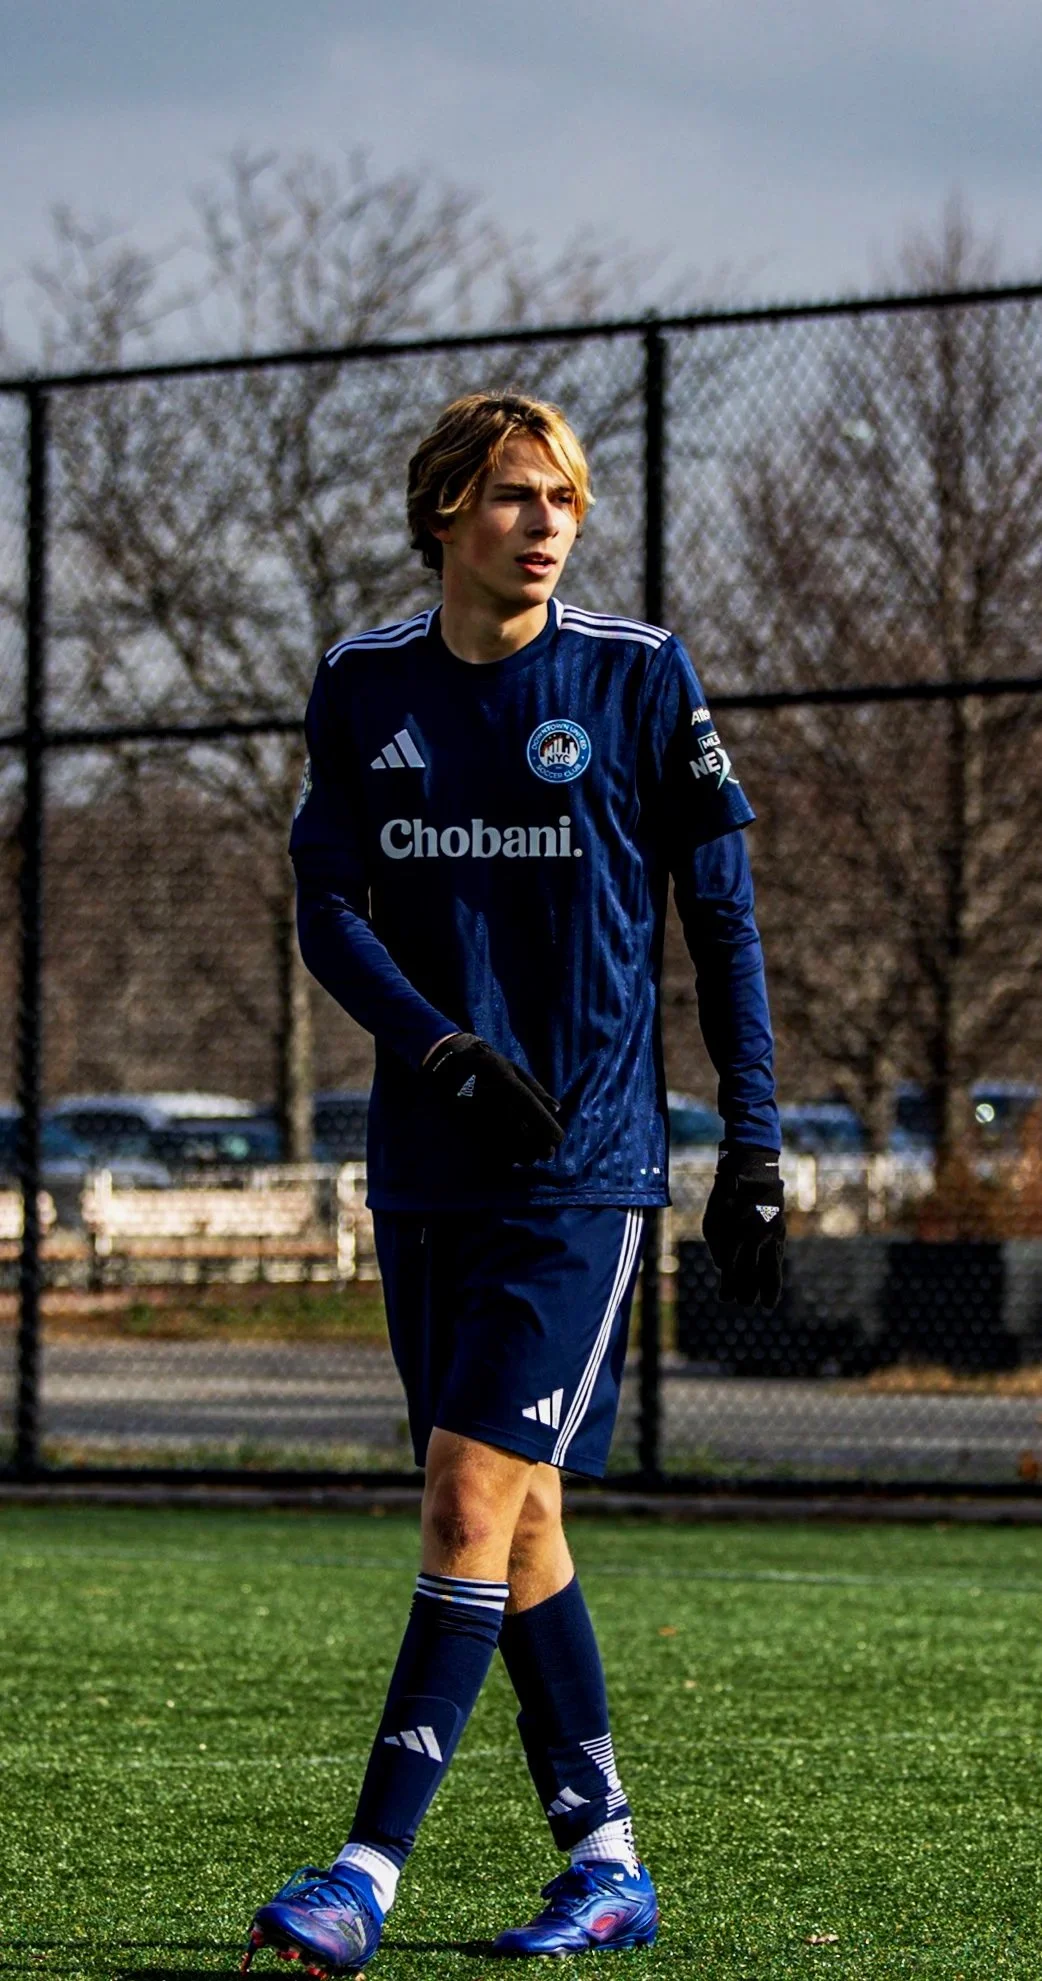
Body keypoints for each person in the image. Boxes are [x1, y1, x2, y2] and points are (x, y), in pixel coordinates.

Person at [242, 391, 784, 1974]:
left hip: (581, 1168)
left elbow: (722, 920)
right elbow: (328, 908)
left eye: (561, 498)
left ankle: (362, 1877)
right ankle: (606, 1866)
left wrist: (753, 1143)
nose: (544, 523)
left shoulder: (637, 675)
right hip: (426, 1166)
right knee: (521, 1516)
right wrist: (438, 1050)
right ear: (442, 516)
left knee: (467, 1497)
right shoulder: (364, 685)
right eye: (509, 496)